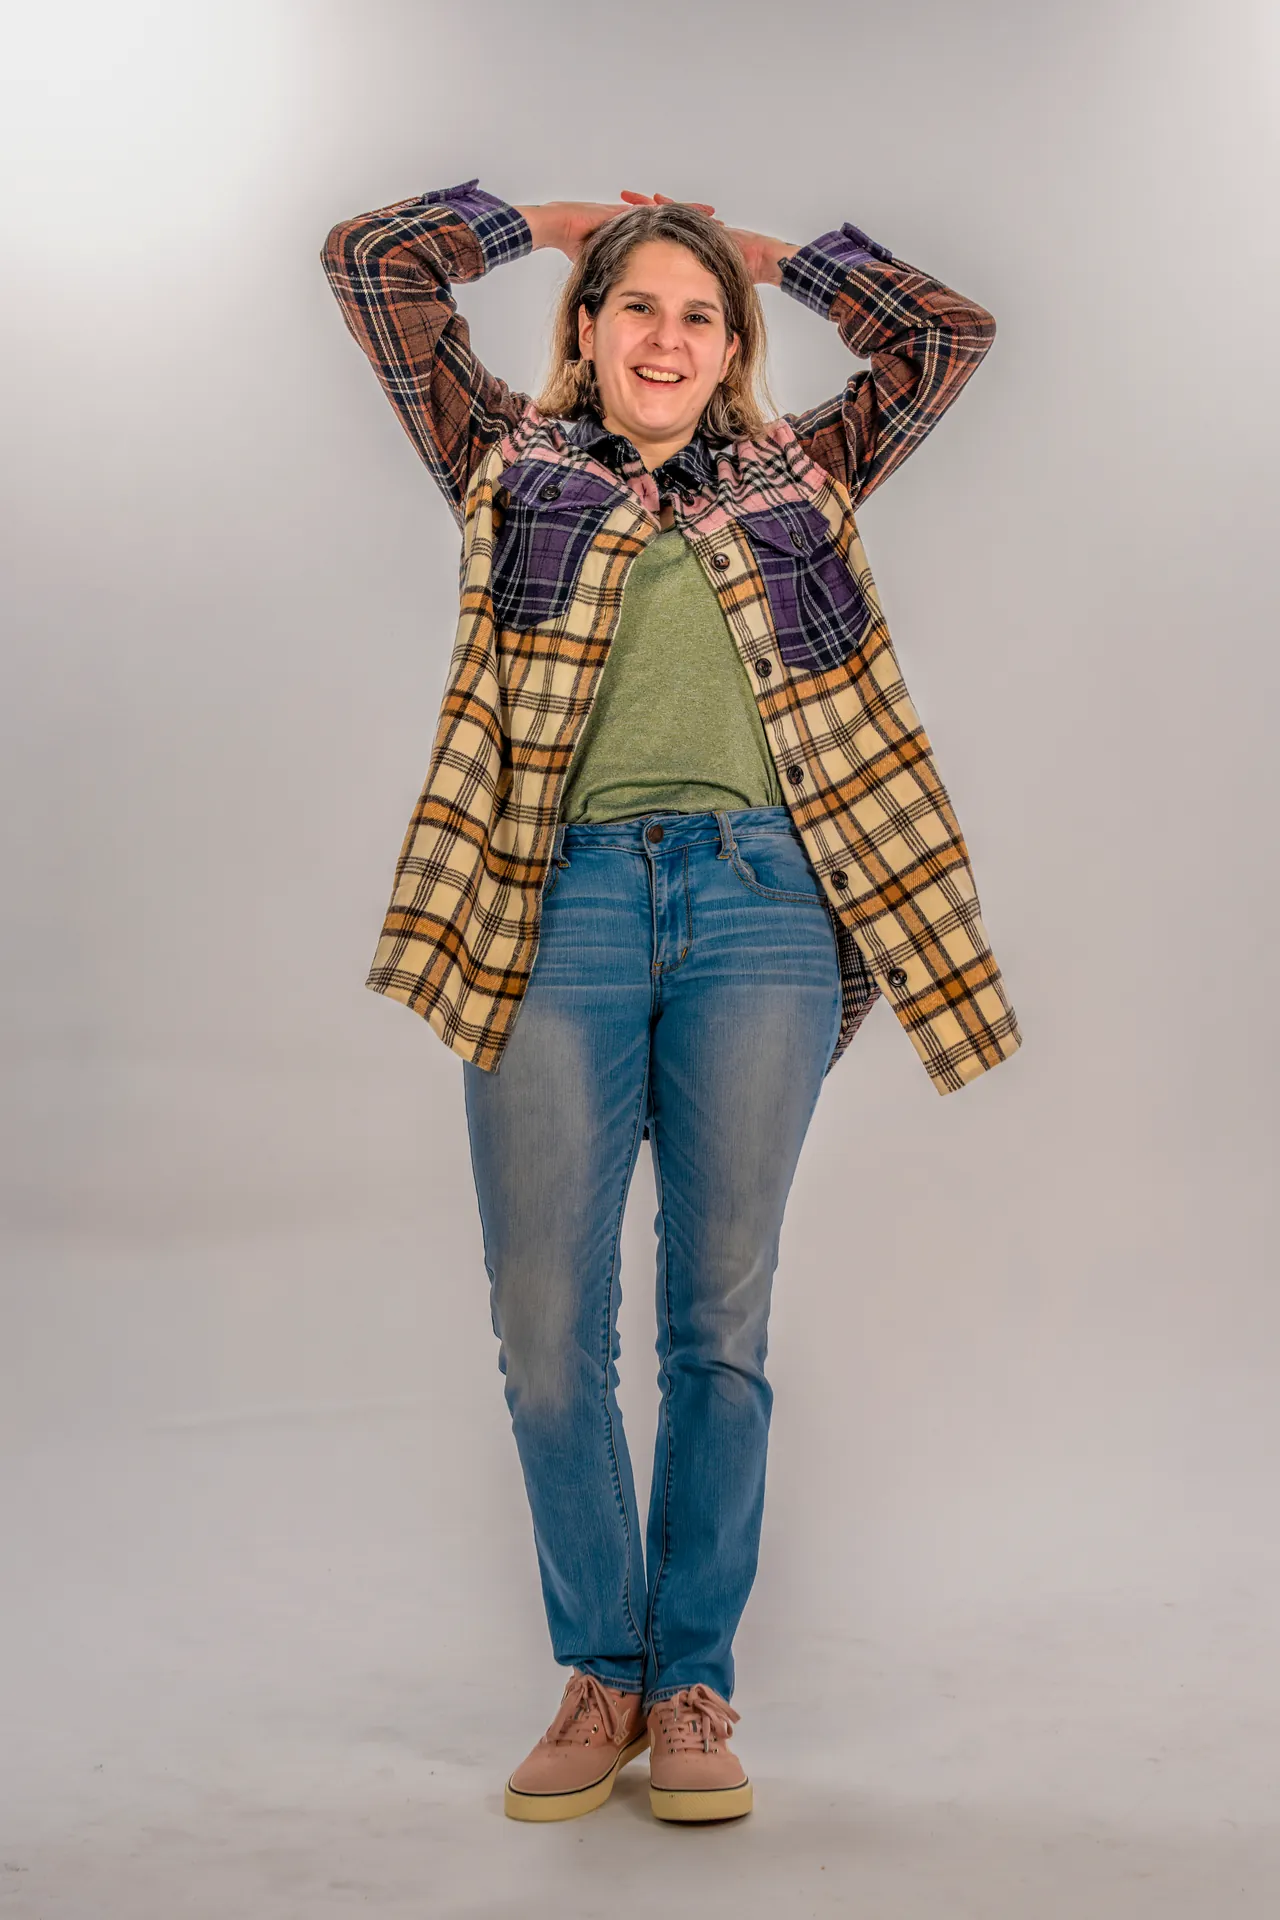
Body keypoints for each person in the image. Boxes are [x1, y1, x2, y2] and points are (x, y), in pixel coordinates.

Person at [321, 177, 1020, 1826]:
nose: (668, 336)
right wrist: (552, 219)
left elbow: (946, 339)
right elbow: (373, 267)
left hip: (762, 909)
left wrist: (771, 255)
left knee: (720, 1322)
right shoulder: (508, 460)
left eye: (701, 318)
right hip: (552, 904)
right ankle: (603, 1668)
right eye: (637, 305)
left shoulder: (802, 473)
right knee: (545, 1327)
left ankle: (690, 1680)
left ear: (732, 350)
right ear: (586, 329)